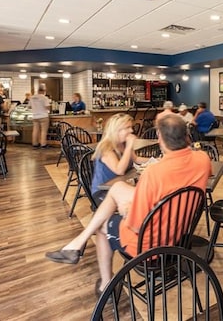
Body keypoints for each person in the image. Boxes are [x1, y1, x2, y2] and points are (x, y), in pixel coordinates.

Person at [44, 114, 211, 298]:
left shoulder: (154, 173)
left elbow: (136, 224)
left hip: (151, 245)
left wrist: (128, 209)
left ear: (159, 137)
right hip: (179, 231)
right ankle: (76, 244)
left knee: (102, 225)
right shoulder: (203, 159)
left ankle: (105, 284)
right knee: (118, 187)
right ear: (187, 136)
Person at [90, 113, 146, 202]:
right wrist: (129, 146)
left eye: (131, 127)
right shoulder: (106, 148)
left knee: (146, 193)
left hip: (121, 186)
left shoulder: (123, 143)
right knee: (141, 200)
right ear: (116, 130)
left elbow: (136, 159)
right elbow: (119, 170)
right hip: (104, 192)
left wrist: (157, 160)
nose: (131, 130)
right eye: (127, 128)